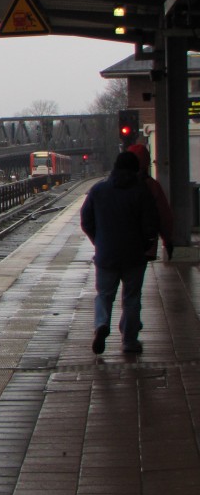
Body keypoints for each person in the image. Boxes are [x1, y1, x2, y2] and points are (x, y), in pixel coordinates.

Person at [80, 150, 159, 355]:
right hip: (134, 255)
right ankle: (129, 341)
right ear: (135, 170)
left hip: (106, 254)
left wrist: (98, 240)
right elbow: (151, 223)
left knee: (104, 295)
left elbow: (86, 220)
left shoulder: (98, 190)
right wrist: (145, 243)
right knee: (132, 298)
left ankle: (101, 324)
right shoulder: (141, 191)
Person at [128, 142, 174, 260]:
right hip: (146, 245)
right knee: (135, 276)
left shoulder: (112, 186)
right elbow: (164, 216)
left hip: (116, 246)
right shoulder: (152, 186)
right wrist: (167, 240)